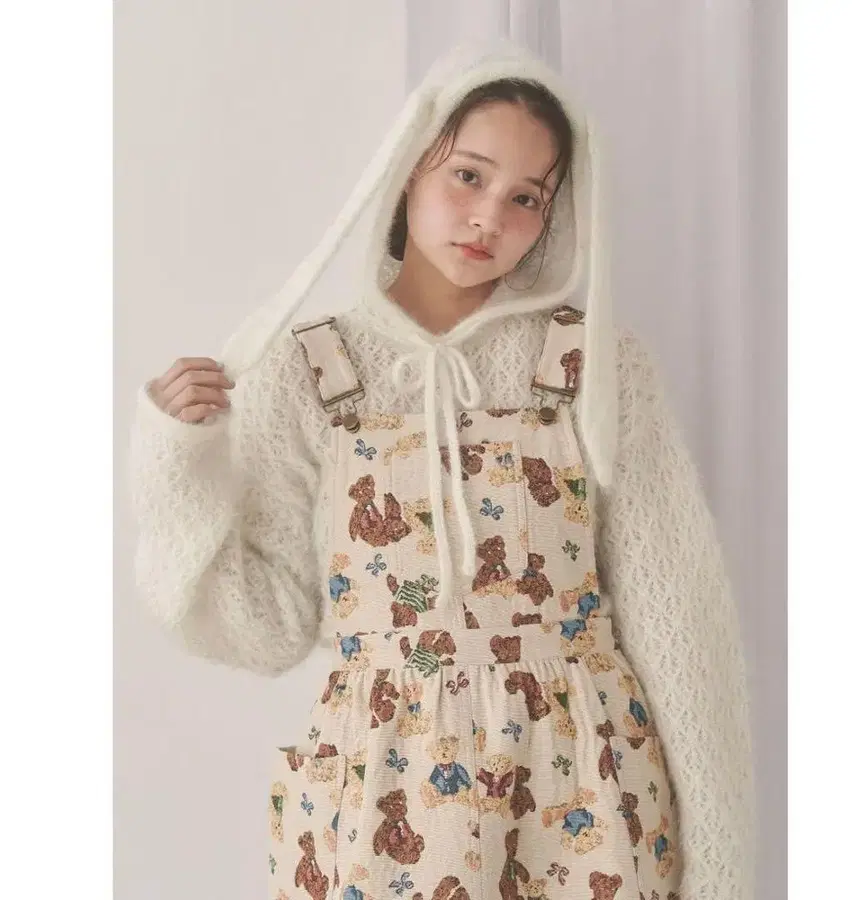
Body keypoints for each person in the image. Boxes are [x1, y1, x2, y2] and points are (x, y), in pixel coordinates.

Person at [129, 41, 754, 900]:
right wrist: (177, 462)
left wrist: (718, 865)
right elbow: (267, 627)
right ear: (408, 170)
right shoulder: (307, 373)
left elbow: (680, 620)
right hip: (383, 803)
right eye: (468, 176)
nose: (488, 217)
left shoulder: (598, 367)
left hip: (586, 796)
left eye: (526, 197)